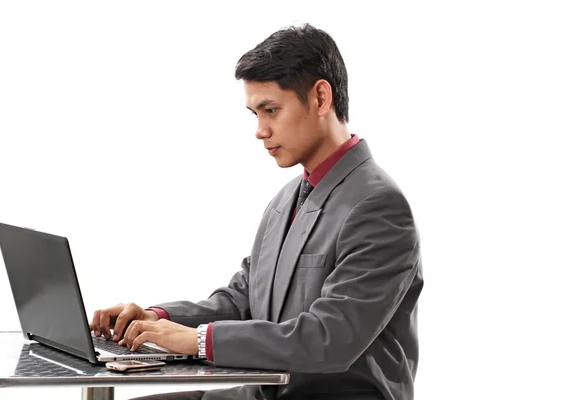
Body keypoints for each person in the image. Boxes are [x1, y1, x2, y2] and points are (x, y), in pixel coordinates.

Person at [90, 23, 423, 400]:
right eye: (254, 114)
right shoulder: (286, 200)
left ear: (320, 98)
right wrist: (156, 320)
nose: (260, 130)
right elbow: (241, 300)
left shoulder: (378, 207)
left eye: (271, 110)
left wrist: (197, 341)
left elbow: (330, 338)